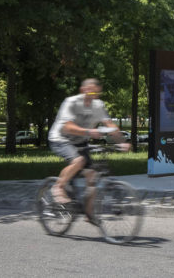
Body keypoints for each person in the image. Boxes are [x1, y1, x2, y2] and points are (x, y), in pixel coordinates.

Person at [48, 78, 129, 206]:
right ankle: (58, 187)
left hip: (80, 142)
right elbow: (67, 127)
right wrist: (89, 132)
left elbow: (110, 124)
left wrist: (121, 141)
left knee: (92, 176)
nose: (94, 96)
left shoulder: (98, 105)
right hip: (60, 139)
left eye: (96, 94)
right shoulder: (71, 102)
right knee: (79, 161)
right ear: (83, 90)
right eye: (91, 93)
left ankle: (89, 214)